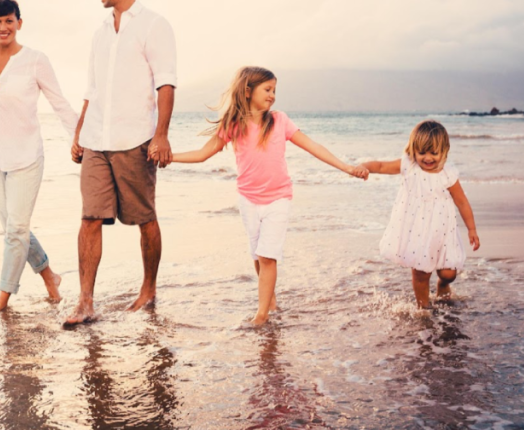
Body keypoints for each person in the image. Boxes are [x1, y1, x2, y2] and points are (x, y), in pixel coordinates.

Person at [170, 66, 368, 325]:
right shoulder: (234, 125)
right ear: (248, 90)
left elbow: (313, 147)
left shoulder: (280, 121)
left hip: (278, 198)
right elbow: (202, 154)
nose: (273, 95)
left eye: (275, 90)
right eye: (268, 89)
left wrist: (347, 167)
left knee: (267, 256)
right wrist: (169, 158)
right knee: (258, 256)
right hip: (248, 200)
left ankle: (261, 315)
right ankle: (270, 302)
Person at [65, 0, 177, 327]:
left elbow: (166, 82)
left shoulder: (154, 25)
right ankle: (85, 302)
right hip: (97, 138)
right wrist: (79, 133)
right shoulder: (99, 33)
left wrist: (160, 135)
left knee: (144, 218)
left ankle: (148, 289)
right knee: (89, 218)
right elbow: (91, 89)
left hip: (136, 139)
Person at [0, 0, 80, 313]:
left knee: (15, 231)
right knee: (14, 229)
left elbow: (59, 102)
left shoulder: (35, 60)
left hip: (27, 157)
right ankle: (50, 276)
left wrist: (79, 138)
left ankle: (1, 301)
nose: (3, 27)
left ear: (19, 23)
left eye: (8, 21)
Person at [359, 120, 480, 308]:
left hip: (442, 230)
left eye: (434, 152)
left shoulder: (447, 174)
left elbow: (462, 201)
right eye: (422, 152)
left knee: (449, 273)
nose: (428, 158)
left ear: (444, 151)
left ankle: (443, 285)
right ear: (413, 150)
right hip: (417, 230)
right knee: (421, 273)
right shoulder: (409, 166)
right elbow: (382, 166)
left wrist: (472, 228)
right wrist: (363, 167)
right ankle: (423, 308)